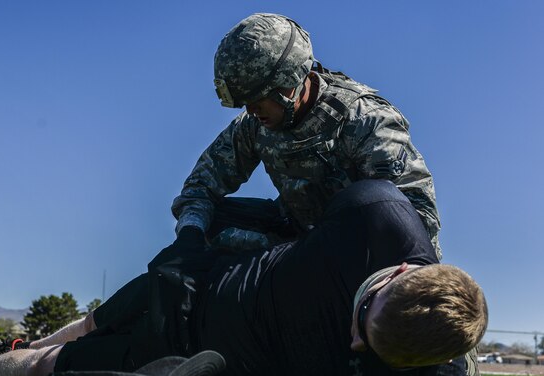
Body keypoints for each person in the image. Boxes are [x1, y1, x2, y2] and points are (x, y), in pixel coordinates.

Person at [0, 180, 487, 376]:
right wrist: (207, 238)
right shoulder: (376, 215)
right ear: (401, 269)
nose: (354, 340)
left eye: (372, 350)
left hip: (193, 366)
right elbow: (294, 215)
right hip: (192, 286)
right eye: (363, 316)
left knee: (46, 369)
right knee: (70, 331)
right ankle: (14, 342)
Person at [172, 13, 441, 258]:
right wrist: (190, 234)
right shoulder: (254, 124)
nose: (251, 110)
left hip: (362, 252)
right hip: (302, 241)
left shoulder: (363, 119)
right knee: (216, 223)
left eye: (257, 98)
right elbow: (200, 187)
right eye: (244, 103)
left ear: (289, 81)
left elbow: (416, 219)